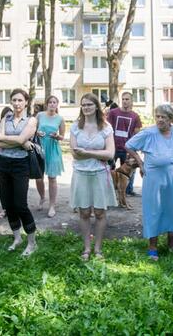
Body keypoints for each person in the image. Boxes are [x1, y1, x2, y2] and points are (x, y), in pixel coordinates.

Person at [126, 104, 173, 261]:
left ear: (171, 120)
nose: (160, 120)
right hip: (154, 179)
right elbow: (129, 145)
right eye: (158, 117)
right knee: (154, 210)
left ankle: (172, 242)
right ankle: (152, 246)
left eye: (164, 117)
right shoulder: (149, 133)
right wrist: (140, 163)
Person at [70, 94, 117, 260]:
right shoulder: (76, 127)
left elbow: (110, 154)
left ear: (96, 106)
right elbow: (75, 155)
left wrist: (87, 152)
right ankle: (86, 248)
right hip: (81, 174)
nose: (86, 107)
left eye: (89, 104)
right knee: (83, 212)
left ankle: (98, 249)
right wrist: (98, 154)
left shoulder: (106, 127)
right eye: (83, 105)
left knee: (99, 213)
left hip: (99, 174)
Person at [0, 88, 39, 256]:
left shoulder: (31, 120)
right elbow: (0, 144)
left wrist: (11, 139)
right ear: (11, 102)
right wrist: (21, 142)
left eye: (20, 100)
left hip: (21, 165)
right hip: (2, 164)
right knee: (8, 204)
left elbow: (15, 139)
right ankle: (17, 238)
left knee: (20, 204)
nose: (17, 103)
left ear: (26, 102)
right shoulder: (6, 118)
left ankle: (32, 243)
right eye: (14, 100)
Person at [107, 92, 142, 195]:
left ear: (131, 101)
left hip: (127, 149)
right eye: (123, 99)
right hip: (113, 147)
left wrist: (134, 148)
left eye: (127, 99)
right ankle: (110, 190)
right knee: (109, 169)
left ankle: (128, 190)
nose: (124, 101)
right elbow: (107, 129)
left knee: (130, 169)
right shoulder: (113, 113)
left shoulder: (135, 116)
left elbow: (137, 134)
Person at [36, 95, 65, 218]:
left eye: (54, 102)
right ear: (46, 104)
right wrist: (37, 132)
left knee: (52, 178)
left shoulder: (60, 119)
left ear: (57, 104)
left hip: (53, 148)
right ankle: (42, 197)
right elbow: (32, 129)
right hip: (40, 147)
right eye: (50, 102)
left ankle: (52, 205)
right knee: (38, 177)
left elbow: (62, 136)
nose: (52, 104)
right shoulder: (40, 115)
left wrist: (57, 136)